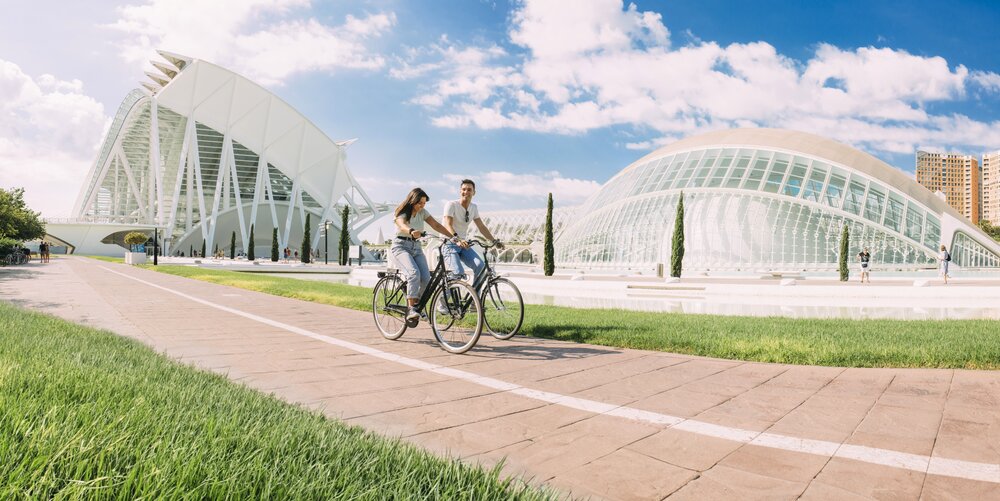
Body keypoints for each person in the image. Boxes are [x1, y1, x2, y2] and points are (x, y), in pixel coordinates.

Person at [390, 187, 453, 323]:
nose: (422, 206)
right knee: (413, 274)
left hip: (416, 248)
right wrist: (411, 230)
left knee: (426, 279)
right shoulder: (401, 211)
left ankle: (417, 306)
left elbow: (436, 225)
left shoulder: (423, 212)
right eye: (420, 203)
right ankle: (411, 309)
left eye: (424, 203)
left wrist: (454, 237)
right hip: (400, 247)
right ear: (413, 201)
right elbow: (401, 225)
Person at [440, 179, 504, 291]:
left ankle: (474, 302)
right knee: (458, 273)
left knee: (480, 266)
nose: (466, 192)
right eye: (464, 189)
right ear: (460, 191)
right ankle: (442, 302)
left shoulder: (473, 207)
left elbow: (481, 226)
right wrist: (457, 239)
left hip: (463, 244)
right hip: (449, 243)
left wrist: (494, 241)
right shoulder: (451, 205)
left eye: (469, 190)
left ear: (474, 192)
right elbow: (448, 225)